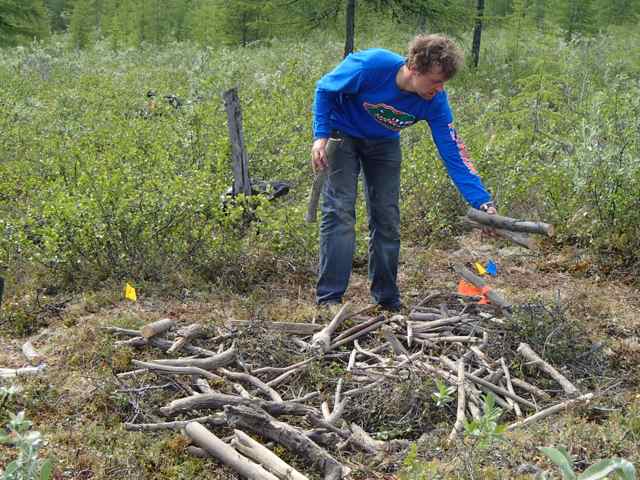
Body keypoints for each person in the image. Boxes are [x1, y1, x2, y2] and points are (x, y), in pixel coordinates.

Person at [311, 34, 496, 311]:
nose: (440, 88)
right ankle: (330, 298)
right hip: (342, 134)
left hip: (384, 143)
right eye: (435, 80)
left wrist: (482, 201)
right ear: (414, 68)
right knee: (340, 211)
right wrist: (321, 136)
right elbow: (325, 89)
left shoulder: (435, 101)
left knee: (387, 217)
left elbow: (454, 153)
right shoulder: (372, 66)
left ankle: (386, 300)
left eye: (444, 82)